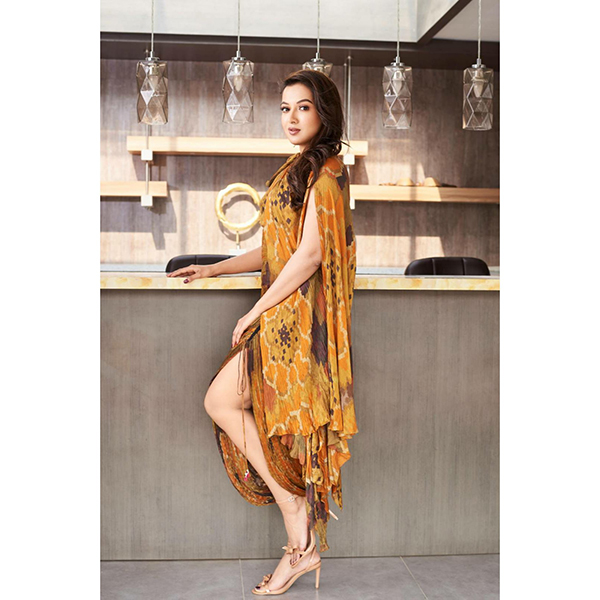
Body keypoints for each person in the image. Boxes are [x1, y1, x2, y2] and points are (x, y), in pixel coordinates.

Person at [167, 68, 358, 595]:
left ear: (324, 113)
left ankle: (299, 533)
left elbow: (310, 256)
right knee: (222, 402)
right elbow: (275, 250)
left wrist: (255, 310)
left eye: (303, 107)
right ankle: (298, 530)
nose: (291, 118)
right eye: (284, 108)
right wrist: (214, 268)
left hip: (295, 324)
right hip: (282, 320)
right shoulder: (299, 168)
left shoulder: (327, 174)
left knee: (222, 401)